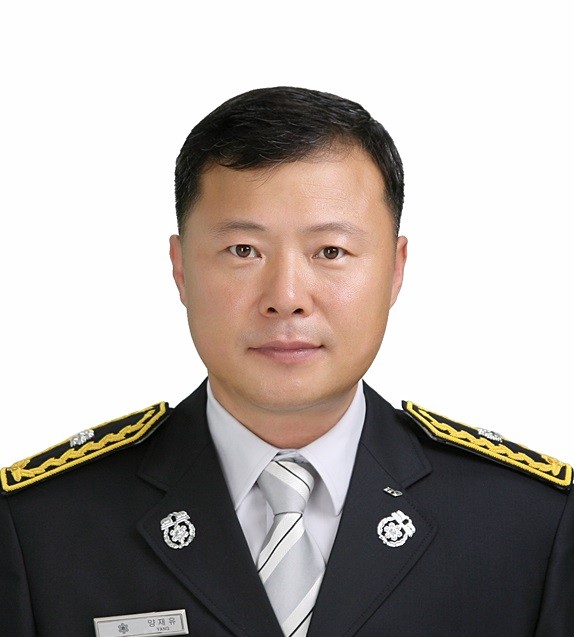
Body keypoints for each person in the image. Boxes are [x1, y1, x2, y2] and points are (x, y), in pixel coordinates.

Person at [1, 87, 572, 637]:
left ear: (396, 269)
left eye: (331, 251)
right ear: (180, 268)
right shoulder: (41, 526)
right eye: (243, 250)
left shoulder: (530, 523)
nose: (287, 297)